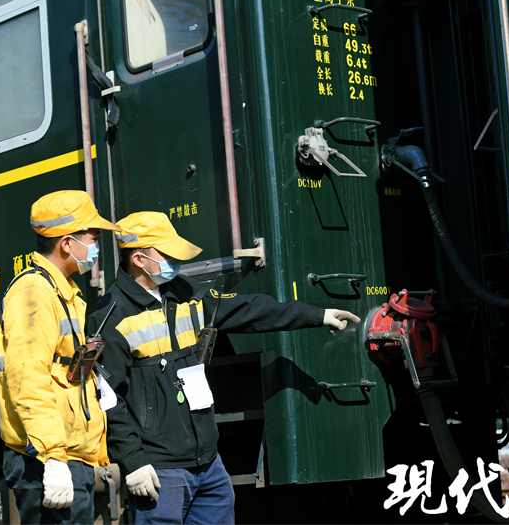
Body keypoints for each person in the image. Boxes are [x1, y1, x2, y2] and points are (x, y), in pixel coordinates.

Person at [87, 211, 360, 525]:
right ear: (139, 259)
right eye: (167, 254)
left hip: (209, 466)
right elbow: (106, 399)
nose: (175, 261)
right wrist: (133, 462)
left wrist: (317, 315)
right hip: (161, 471)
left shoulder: (185, 293)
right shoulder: (110, 318)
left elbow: (247, 310)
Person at [0, 190, 121, 524]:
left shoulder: (62, 292)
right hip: (45, 458)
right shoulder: (34, 293)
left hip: (66, 455)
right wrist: (52, 458)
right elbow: (28, 379)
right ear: (67, 243)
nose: (95, 248)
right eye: (92, 239)